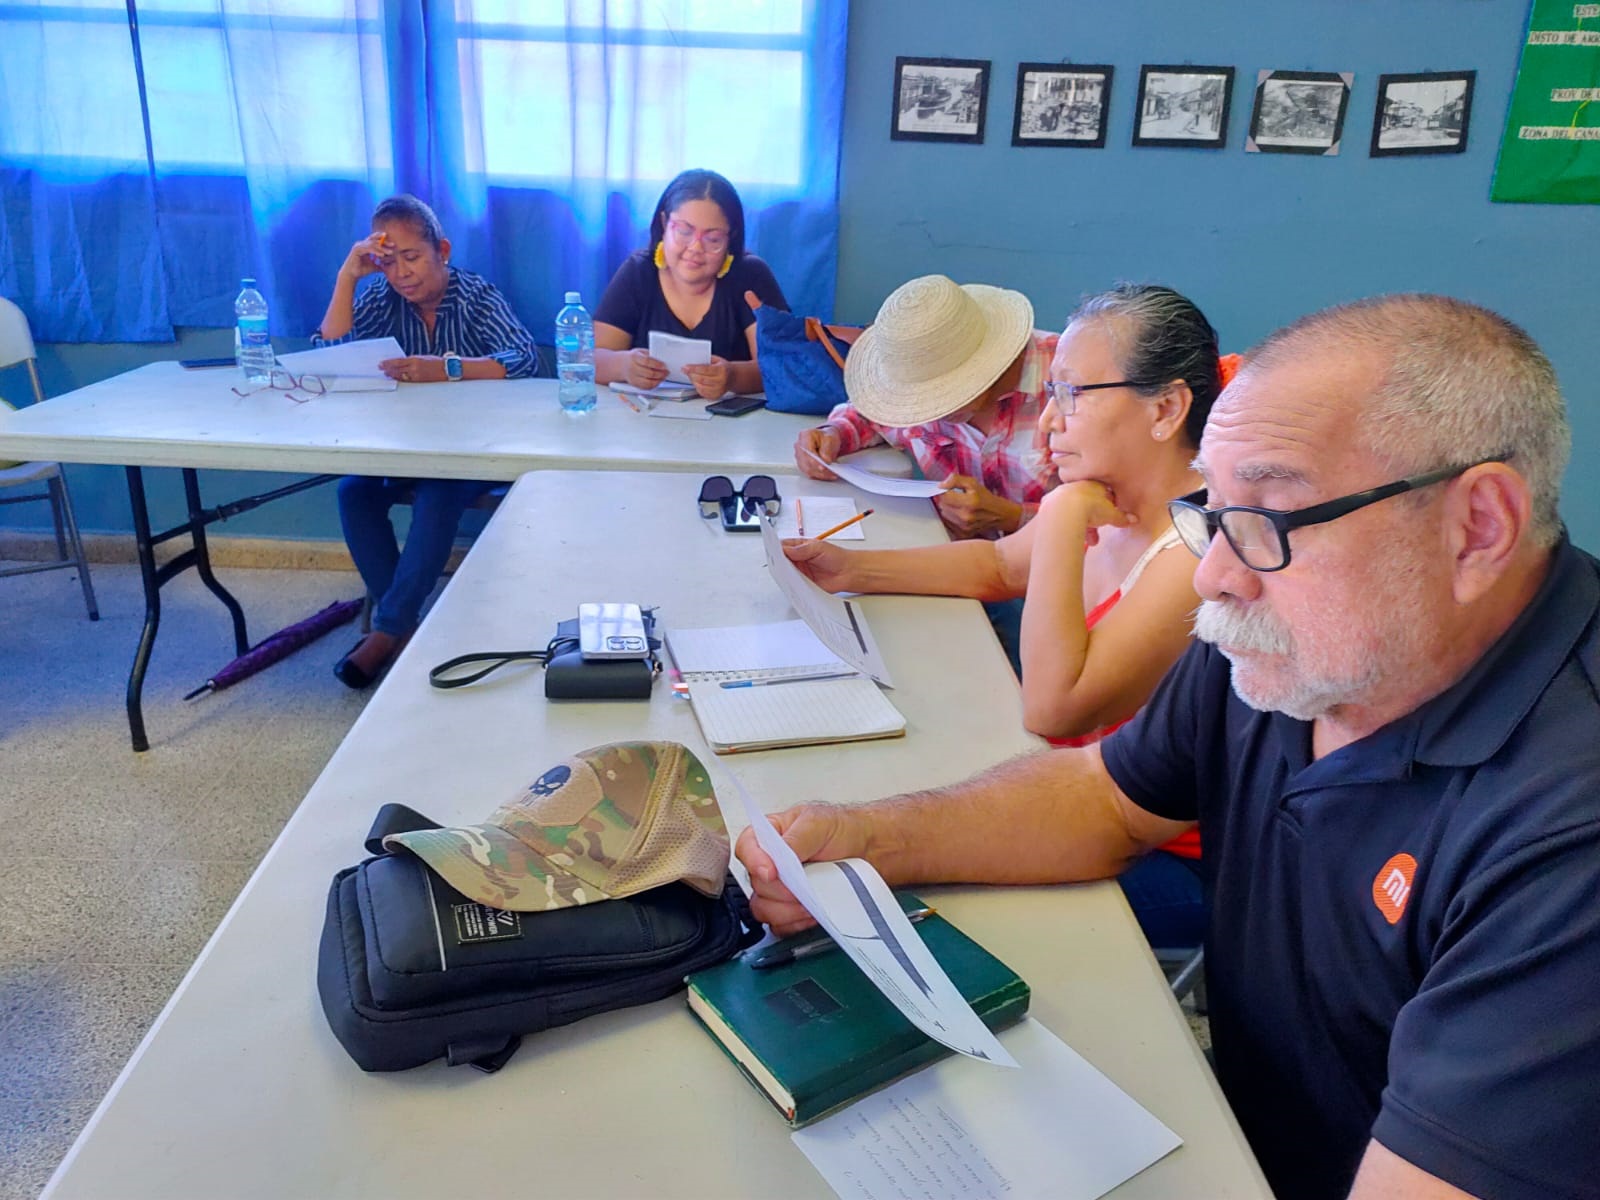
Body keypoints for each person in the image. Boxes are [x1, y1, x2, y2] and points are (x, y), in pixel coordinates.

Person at [738, 294, 1600, 1200]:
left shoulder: (1568, 826)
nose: (1215, 576)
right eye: (1211, 512)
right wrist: (869, 838)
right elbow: (1107, 799)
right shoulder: (1290, 645)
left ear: (1478, 528)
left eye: (1268, 518)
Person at [785, 284, 1230, 949]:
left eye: (1072, 395)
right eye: (1050, 394)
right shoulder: (1113, 497)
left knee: (884, 902)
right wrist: (849, 570)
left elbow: (1054, 709)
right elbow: (997, 567)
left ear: (1165, 409)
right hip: (1065, 785)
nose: (1047, 423)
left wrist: (1062, 514)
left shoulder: (1195, 552)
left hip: (1159, 854)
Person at [312, 193, 541, 688]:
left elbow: (526, 358)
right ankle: (406, 629)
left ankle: (385, 631)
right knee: (353, 492)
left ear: (443, 250)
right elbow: (328, 355)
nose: (402, 274)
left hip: (471, 449)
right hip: (401, 447)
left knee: (439, 493)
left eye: (413, 257)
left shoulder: (475, 296)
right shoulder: (381, 298)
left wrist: (449, 369)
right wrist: (348, 278)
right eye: (389, 262)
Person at [793, 274, 1058, 540]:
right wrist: (832, 434)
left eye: (937, 395)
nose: (928, 409)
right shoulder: (915, 379)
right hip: (959, 554)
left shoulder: (1068, 381)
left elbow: (1087, 525)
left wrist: (1015, 517)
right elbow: (869, 415)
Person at [593, 169, 788, 400]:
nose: (695, 248)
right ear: (664, 224)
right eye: (684, 231)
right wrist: (623, 366)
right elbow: (590, 359)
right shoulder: (638, 273)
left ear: (731, 238)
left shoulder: (750, 275)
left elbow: (781, 367)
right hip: (646, 416)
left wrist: (733, 377)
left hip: (734, 418)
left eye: (713, 239)